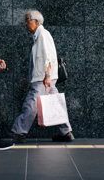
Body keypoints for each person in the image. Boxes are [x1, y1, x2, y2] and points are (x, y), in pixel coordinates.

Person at [11, 10, 73, 142]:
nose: (26, 23)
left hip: (43, 79)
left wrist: (47, 75)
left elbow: (48, 57)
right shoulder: (40, 35)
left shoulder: (43, 35)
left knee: (31, 104)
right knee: (56, 104)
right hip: (46, 78)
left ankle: (19, 132)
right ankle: (66, 132)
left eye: (28, 20)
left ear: (36, 22)